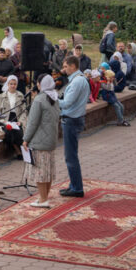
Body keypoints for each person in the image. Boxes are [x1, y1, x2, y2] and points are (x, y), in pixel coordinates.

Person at [23, 75, 61, 208]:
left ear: (40, 84)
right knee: (48, 171)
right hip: (51, 140)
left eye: (38, 83)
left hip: (39, 141)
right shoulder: (55, 97)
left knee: (40, 172)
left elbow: (32, 123)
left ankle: (43, 199)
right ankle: (43, 197)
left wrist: (26, 139)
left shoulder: (39, 100)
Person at [58, 56, 90, 198]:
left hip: (71, 120)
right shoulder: (79, 79)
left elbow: (67, 103)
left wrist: (52, 98)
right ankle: (74, 185)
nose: (63, 69)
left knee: (70, 156)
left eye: (65, 66)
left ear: (73, 66)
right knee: (71, 155)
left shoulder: (77, 81)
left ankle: (77, 188)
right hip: (74, 119)